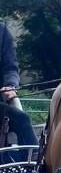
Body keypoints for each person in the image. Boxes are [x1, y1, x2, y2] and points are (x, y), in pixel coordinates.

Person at [0, 19, 38, 148]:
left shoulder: (2, 30)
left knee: (21, 119)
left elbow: (10, 67)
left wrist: (10, 86)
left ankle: (33, 162)